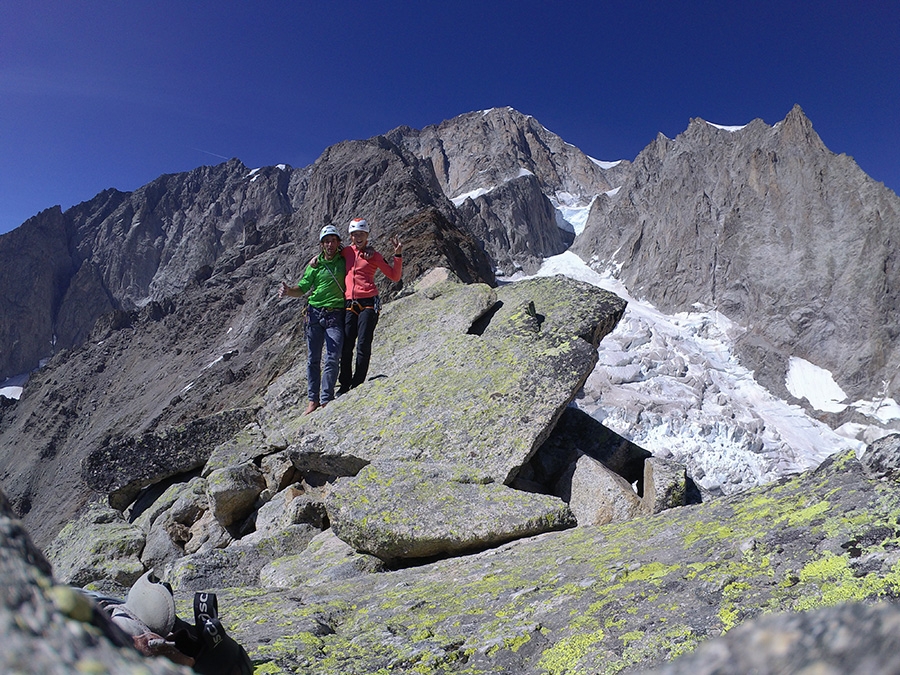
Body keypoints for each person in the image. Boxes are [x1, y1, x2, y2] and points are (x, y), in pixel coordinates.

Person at [279, 224, 346, 414]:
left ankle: (325, 398)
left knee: (333, 357)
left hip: (335, 314)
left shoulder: (344, 260)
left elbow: (359, 251)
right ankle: (313, 400)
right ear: (321, 244)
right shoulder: (315, 266)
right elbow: (302, 289)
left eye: (333, 241)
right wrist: (288, 291)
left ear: (339, 243)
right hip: (315, 313)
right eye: (326, 241)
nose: (330, 245)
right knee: (313, 360)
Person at [337, 217, 402, 393]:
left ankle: (357, 384)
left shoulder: (374, 256)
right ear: (350, 236)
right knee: (346, 344)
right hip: (350, 302)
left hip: (369, 303)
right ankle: (344, 383)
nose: (358, 237)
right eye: (355, 234)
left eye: (361, 234)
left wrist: (397, 255)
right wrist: (315, 259)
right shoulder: (346, 252)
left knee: (363, 344)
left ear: (367, 235)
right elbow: (329, 255)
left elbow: (394, 276)